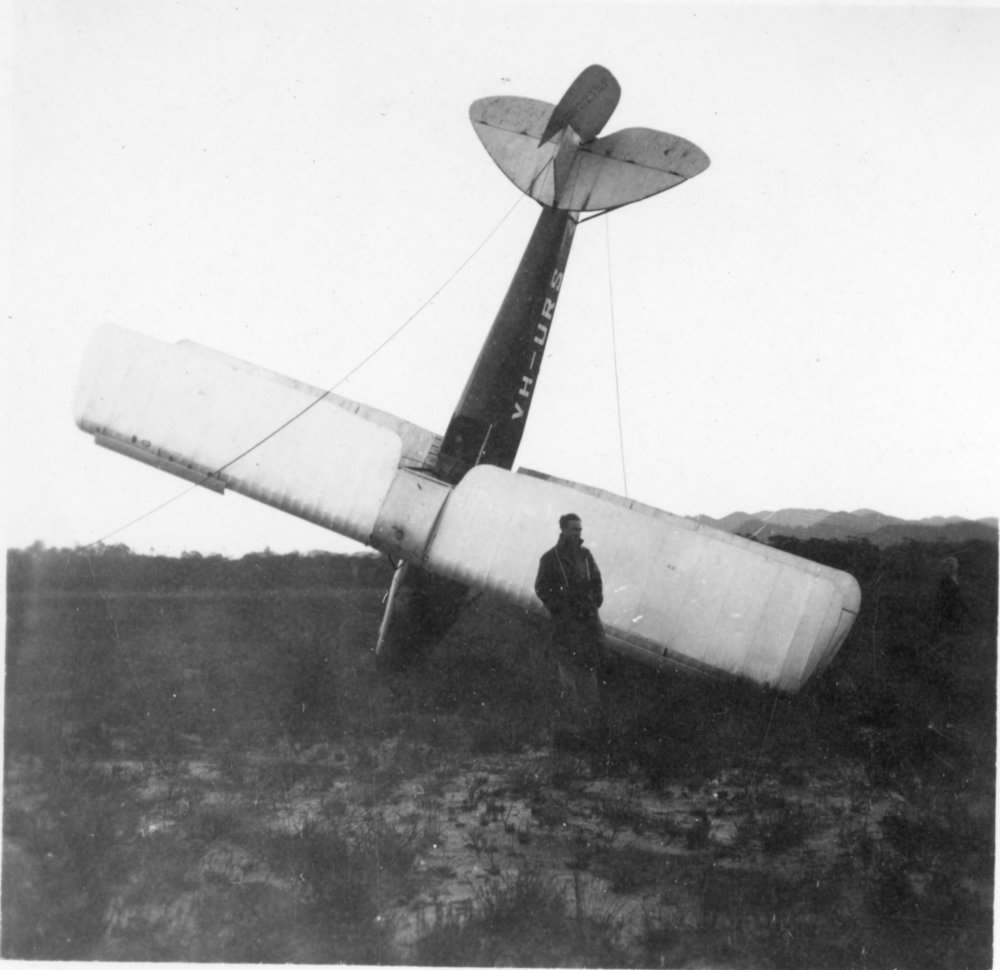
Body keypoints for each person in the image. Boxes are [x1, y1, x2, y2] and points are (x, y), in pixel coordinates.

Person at [534, 513, 609, 751]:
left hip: (587, 625)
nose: (578, 534)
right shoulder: (550, 558)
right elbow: (541, 588)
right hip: (566, 627)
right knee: (567, 678)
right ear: (563, 530)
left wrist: (593, 602)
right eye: (574, 529)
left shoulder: (586, 556)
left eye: (579, 529)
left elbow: (597, 582)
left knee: (589, 676)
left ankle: (593, 731)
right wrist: (559, 608)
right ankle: (570, 733)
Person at [933, 555, 967, 633]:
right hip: (949, 608)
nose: (954, 567)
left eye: (954, 565)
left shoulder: (958, 579)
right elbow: (942, 597)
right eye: (950, 566)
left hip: (958, 608)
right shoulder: (944, 581)